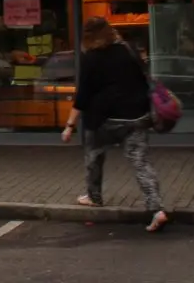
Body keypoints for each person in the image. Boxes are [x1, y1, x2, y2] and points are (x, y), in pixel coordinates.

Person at [61, 17, 168, 232]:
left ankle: (94, 196)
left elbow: (83, 96)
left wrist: (70, 125)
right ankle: (157, 209)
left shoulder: (91, 58)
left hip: (104, 119)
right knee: (140, 163)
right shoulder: (127, 50)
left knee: (94, 156)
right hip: (136, 116)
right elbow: (143, 77)